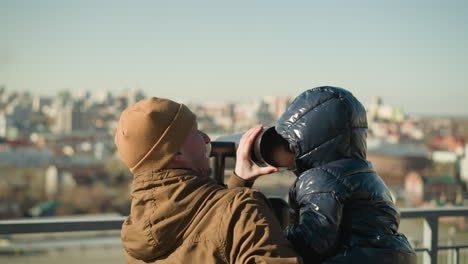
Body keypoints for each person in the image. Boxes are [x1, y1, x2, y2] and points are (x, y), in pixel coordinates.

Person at [230, 86, 417, 263]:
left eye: (287, 143)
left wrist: (274, 233)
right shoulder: (366, 173)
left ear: (302, 143)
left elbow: (314, 241)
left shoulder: (318, 179)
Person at [114, 97, 303, 264]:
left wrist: (238, 183)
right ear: (177, 151)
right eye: (196, 132)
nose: (206, 139)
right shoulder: (242, 210)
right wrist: (238, 202)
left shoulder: (135, 233)